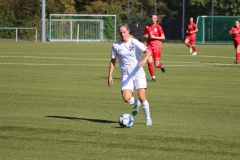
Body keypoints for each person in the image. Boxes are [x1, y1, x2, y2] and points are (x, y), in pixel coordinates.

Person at [108, 23, 152, 125]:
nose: (123, 34)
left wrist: (144, 60)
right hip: (126, 74)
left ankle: (148, 118)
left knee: (142, 97)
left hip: (138, 71)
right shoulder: (116, 45)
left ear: (128, 31)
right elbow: (112, 61)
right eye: (121, 32)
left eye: (124, 32)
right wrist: (110, 75)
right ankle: (137, 104)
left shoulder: (134, 42)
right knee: (126, 98)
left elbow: (148, 52)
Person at [143, 14, 165, 82]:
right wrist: (146, 36)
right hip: (149, 45)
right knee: (149, 61)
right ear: (150, 19)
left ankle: (161, 66)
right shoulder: (147, 27)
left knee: (156, 64)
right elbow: (145, 35)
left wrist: (154, 37)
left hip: (157, 46)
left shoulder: (158, 27)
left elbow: (163, 37)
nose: (154, 19)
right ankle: (153, 77)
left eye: (155, 18)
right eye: (153, 18)